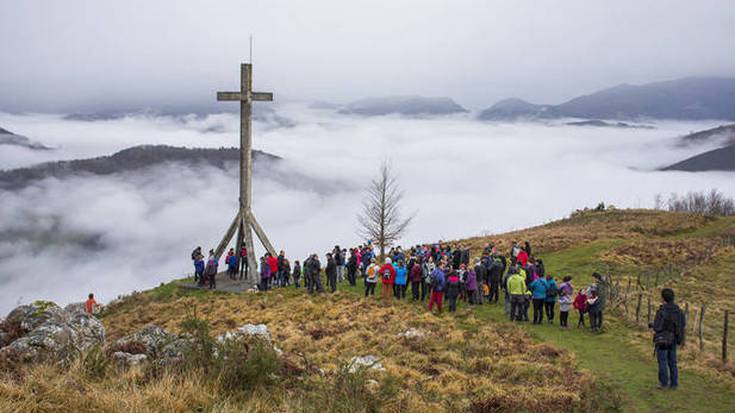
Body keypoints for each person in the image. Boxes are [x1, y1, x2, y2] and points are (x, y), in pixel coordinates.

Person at [650, 288, 684, 390]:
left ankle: (664, 383)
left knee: (663, 361)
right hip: (674, 338)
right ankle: (674, 384)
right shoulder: (678, 311)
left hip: (662, 339)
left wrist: (652, 326)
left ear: (663, 298)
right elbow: (683, 324)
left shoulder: (662, 310)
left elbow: (657, 326)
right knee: (673, 361)